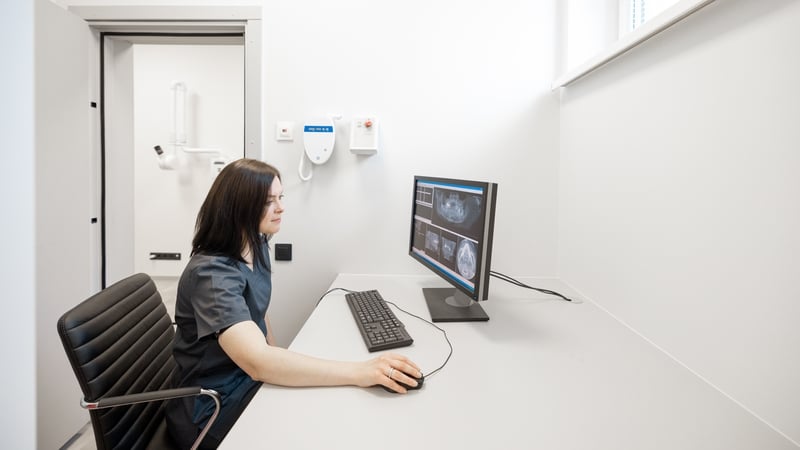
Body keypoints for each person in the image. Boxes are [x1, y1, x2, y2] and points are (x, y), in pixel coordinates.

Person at [165, 158, 421, 449]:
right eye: (268, 201)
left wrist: (279, 359)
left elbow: (257, 315)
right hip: (211, 409)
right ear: (238, 208)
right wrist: (360, 371)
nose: (281, 207)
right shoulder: (212, 276)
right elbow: (257, 362)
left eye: (280, 197)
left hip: (246, 382)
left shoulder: (256, 244)